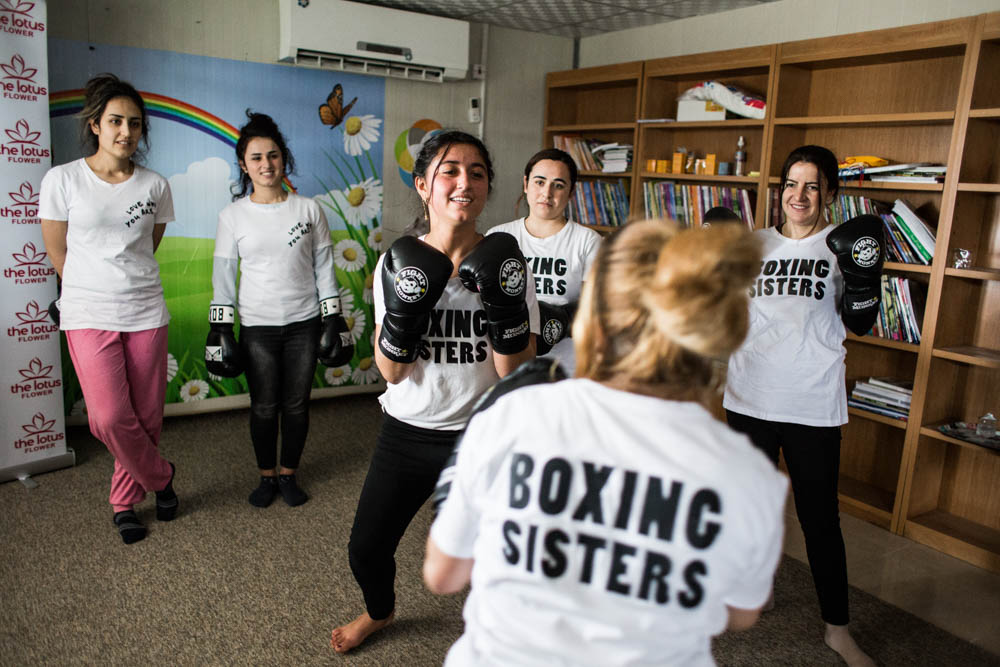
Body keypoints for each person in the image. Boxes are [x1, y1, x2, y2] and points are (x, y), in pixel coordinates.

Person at [423, 219, 788, 666]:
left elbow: (442, 576)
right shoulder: (751, 475)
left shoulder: (516, 416)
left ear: (593, 314)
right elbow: (741, 612)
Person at [330, 130, 541, 654]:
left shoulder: (508, 264)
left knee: (507, 553)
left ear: (488, 187)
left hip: (483, 432)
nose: (463, 183)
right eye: (449, 170)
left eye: (476, 172)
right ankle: (380, 612)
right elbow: (392, 372)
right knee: (366, 548)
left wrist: (503, 304)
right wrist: (407, 311)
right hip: (407, 430)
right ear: (424, 185)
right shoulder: (395, 264)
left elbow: (516, 368)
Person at [723, 145, 882, 667]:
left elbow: (859, 324)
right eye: (792, 184)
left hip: (812, 402)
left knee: (820, 520)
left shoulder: (842, 250)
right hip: (748, 396)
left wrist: (864, 277)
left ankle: (837, 629)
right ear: (780, 189)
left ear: (829, 194)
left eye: (813, 186)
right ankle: (754, 590)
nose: (799, 195)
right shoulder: (755, 245)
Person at [39, 73, 177, 545]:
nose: (126, 132)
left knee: (146, 415)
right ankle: (161, 476)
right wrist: (89, 288)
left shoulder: (156, 185)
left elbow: (147, 246)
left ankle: (125, 504)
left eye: (135, 124)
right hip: (88, 312)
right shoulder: (63, 179)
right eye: (116, 121)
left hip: (145, 312)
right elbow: (59, 253)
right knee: (108, 417)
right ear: (95, 124)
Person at [207, 111, 352, 509]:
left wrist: (333, 317)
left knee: (297, 405)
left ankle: (288, 474)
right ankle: (265, 476)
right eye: (256, 158)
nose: (266, 165)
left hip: (304, 324)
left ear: (283, 158)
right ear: (244, 164)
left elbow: (324, 268)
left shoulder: (309, 211)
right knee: (264, 406)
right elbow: (224, 274)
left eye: (273, 155)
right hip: (257, 327)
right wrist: (220, 329)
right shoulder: (232, 215)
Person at [487, 148, 601, 374]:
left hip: (563, 367)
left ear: (570, 193)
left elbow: (594, 309)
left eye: (558, 185)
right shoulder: (498, 237)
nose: (547, 193)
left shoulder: (588, 241)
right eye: (540, 182)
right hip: (504, 363)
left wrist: (562, 319)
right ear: (526, 184)